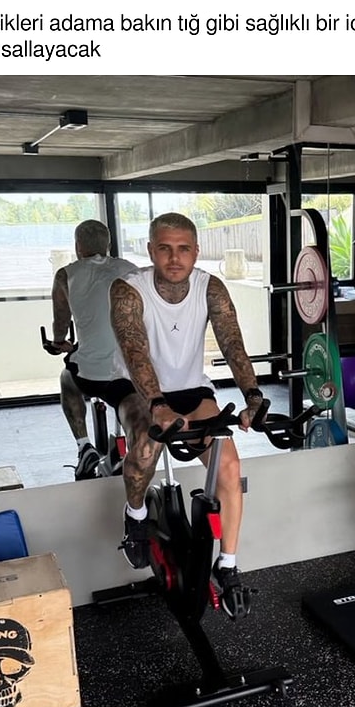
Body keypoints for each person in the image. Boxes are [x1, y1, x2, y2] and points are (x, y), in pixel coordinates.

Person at [109, 211, 266, 619]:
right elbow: (134, 350)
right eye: (165, 249)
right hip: (137, 388)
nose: (174, 258)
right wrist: (157, 405)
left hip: (191, 386)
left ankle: (227, 565)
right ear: (151, 251)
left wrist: (252, 395)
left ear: (196, 251)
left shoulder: (209, 287)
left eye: (183, 249)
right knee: (145, 449)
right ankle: (136, 515)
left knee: (229, 466)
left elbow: (232, 343)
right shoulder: (128, 290)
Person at [49, 219, 138, 479]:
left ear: (78, 246)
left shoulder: (66, 274)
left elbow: (61, 322)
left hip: (91, 377)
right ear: (108, 245)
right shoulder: (131, 269)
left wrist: (58, 342)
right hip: (132, 371)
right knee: (130, 398)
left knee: (67, 378)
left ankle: (84, 446)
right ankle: (135, 450)